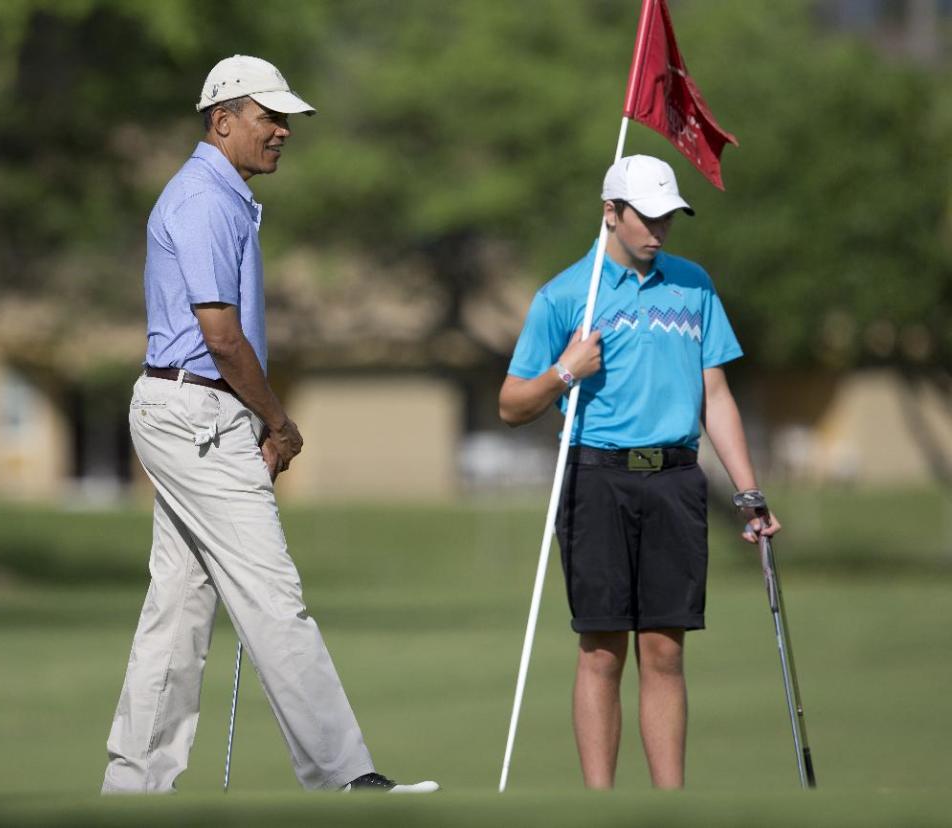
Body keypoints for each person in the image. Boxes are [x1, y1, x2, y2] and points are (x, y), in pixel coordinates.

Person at [102, 55, 437, 795]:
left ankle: (131, 792)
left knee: (179, 606)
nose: (283, 132)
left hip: (188, 409)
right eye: (269, 118)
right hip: (196, 412)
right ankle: (346, 780)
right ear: (223, 120)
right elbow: (221, 337)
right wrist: (278, 422)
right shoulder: (205, 200)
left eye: (287, 121)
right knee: (271, 596)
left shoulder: (221, 196)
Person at [498, 155, 780, 790]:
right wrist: (565, 371)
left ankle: (667, 807)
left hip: (678, 481)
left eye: (668, 218)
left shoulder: (694, 285)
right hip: (595, 479)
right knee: (601, 649)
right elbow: (512, 404)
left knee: (665, 649)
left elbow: (718, 397)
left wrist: (748, 491)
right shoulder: (568, 295)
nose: (659, 230)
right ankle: (603, 806)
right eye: (646, 217)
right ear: (611, 213)